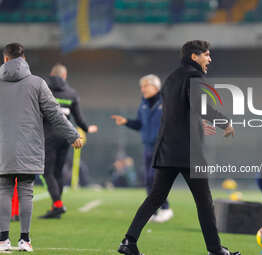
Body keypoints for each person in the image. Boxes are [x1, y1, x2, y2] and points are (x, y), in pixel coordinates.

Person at [117, 40, 240, 255]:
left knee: (155, 198)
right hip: (189, 151)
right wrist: (225, 122)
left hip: (166, 149)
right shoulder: (195, 77)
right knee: (204, 202)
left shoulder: (171, 79)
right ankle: (215, 250)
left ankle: (129, 242)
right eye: (207, 55)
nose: (209, 59)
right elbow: (202, 107)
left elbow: (179, 113)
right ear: (194, 56)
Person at [0, 43, 82, 252]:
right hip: (30, 147)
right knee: (26, 191)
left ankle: (2, 240)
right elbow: (55, 113)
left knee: (4, 191)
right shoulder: (38, 84)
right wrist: (72, 134)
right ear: (24, 59)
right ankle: (24, 240)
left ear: (6, 59)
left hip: (3, 147)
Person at [112, 74, 174, 223]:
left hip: (163, 147)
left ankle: (166, 208)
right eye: (142, 87)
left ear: (156, 87)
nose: (143, 89)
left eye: (146, 86)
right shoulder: (144, 104)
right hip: (147, 147)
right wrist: (126, 122)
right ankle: (152, 212)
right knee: (148, 179)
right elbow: (140, 124)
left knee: (156, 179)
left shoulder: (166, 101)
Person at [39, 64, 98, 219]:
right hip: (66, 137)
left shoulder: (44, 89)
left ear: (52, 74)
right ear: (65, 76)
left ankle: (57, 204)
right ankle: (56, 207)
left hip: (48, 136)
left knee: (47, 172)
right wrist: (86, 128)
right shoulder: (71, 93)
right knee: (58, 172)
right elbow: (78, 118)